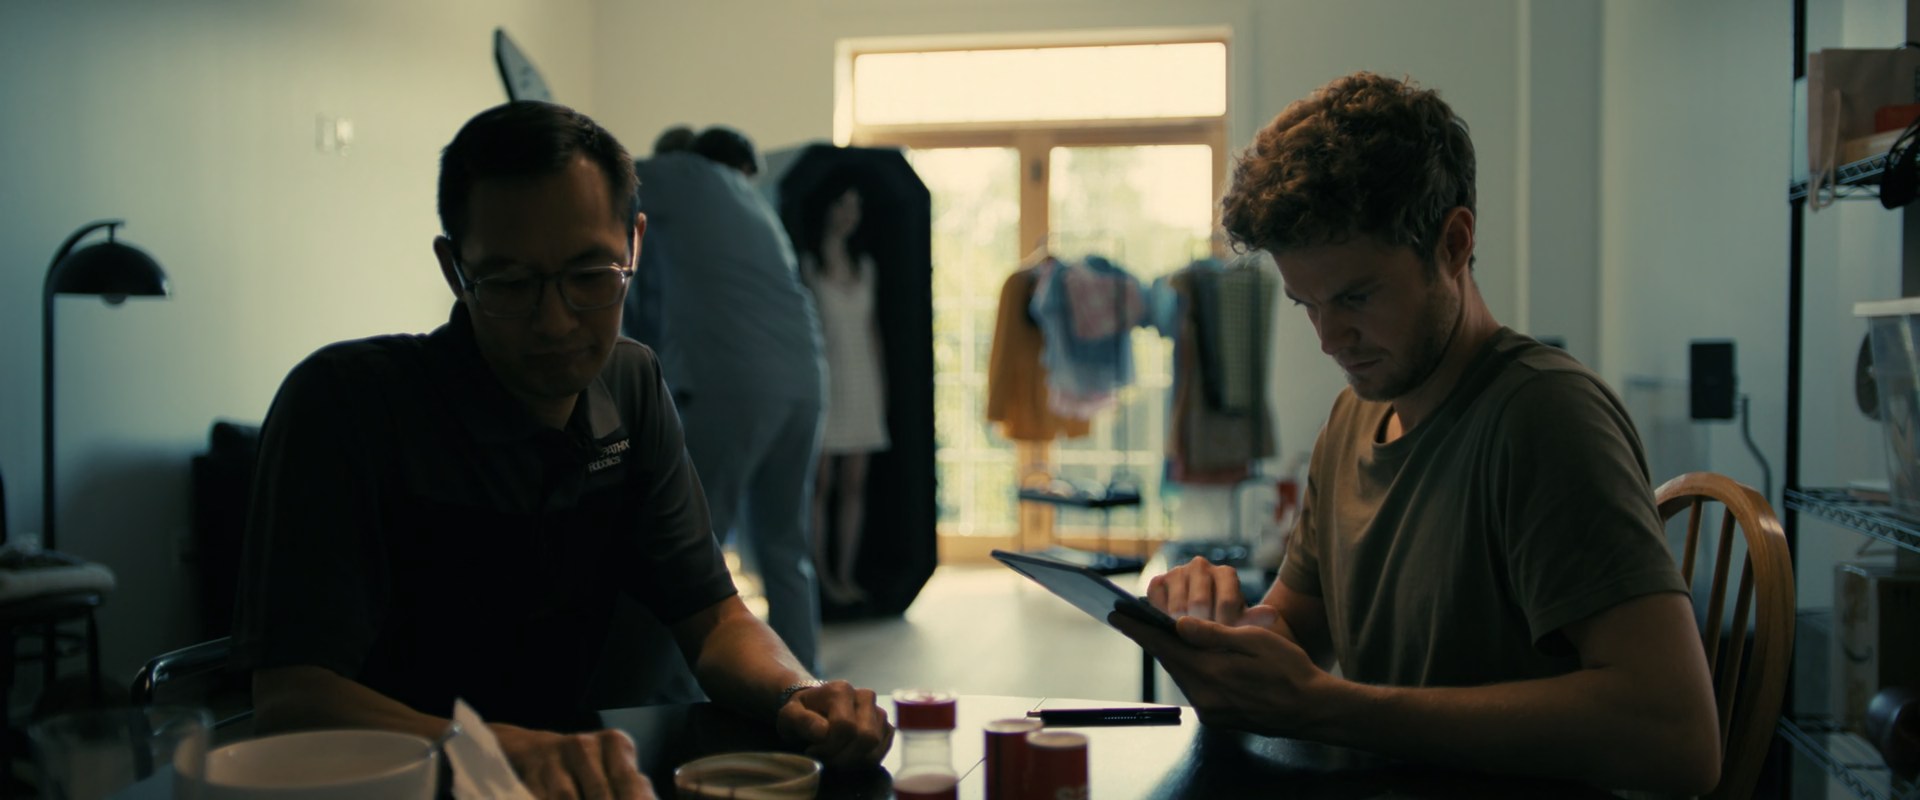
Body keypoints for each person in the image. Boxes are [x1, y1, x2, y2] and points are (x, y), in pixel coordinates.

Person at [233, 102, 890, 800]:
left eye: (589, 275)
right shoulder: (347, 405)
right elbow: (293, 699)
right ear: (454, 269)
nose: (554, 322)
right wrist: (501, 750)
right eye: (510, 283)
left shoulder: (631, 384)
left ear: (634, 246)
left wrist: (799, 693)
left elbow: (715, 619)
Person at [1115, 72, 1722, 796]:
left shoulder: (1545, 418)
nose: (1329, 338)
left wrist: (1331, 708)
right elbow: (1292, 631)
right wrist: (1214, 634)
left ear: (1454, 243)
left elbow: (1677, 736)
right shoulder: (1353, 418)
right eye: (1307, 304)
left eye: (1356, 296)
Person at [630, 124, 831, 669]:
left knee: (693, 540)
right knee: (785, 548)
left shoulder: (687, 175)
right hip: (806, 383)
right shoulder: (758, 206)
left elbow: (598, 173)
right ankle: (806, 685)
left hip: (738, 384)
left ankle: (670, 685)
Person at [797, 172, 889, 605]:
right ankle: (819, 577)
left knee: (854, 485)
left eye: (856, 206)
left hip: (862, 382)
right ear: (828, 208)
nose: (850, 214)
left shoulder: (866, 267)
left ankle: (845, 573)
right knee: (820, 485)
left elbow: (873, 334)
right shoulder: (809, 266)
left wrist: (882, 390)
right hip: (825, 382)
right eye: (843, 204)